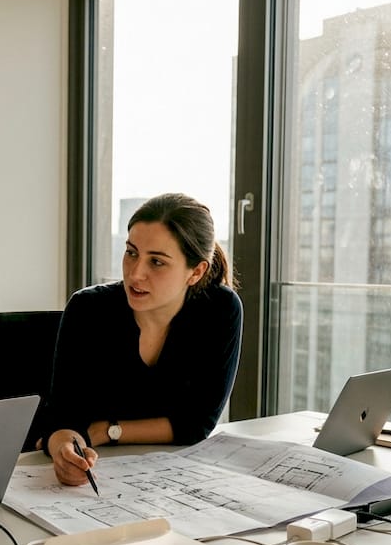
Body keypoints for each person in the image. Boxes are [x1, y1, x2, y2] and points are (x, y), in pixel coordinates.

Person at [42, 192, 242, 487]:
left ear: (196, 271)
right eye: (131, 252)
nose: (136, 274)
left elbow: (196, 424)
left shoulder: (219, 309)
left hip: (170, 480)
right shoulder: (88, 309)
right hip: (94, 479)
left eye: (157, 262)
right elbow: (62, 420)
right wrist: (64, 449)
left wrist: (108, 431)